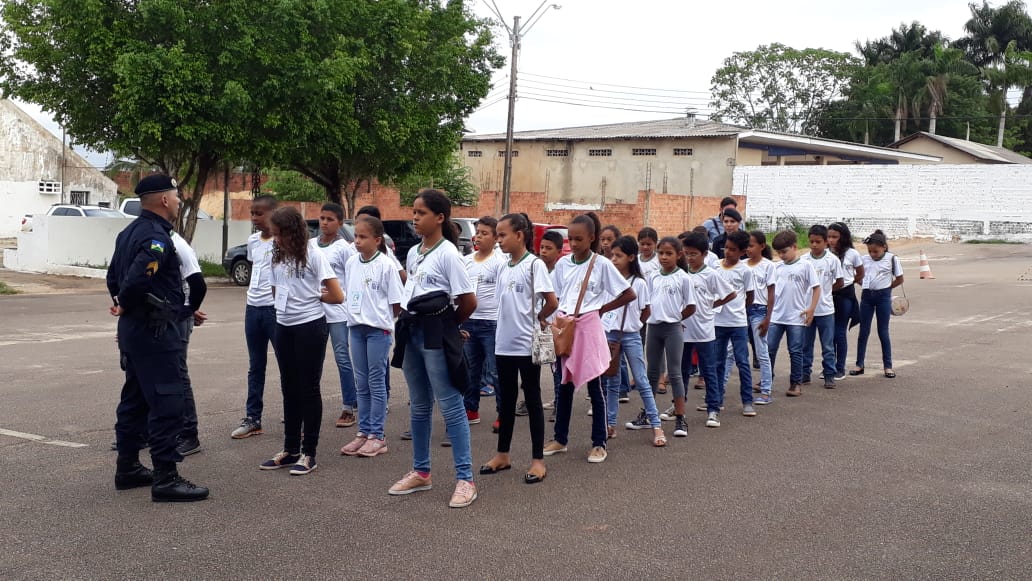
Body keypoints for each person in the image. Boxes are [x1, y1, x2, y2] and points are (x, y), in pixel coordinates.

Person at [106, 173, 208, 502]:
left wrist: (124, 305)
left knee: (135, 399)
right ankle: (166, 477)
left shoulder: (129, 232)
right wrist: (142, 306)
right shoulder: (157, 238)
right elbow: (133, 284)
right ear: (164, 200)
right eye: (177, 197)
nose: (179, 202)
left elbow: (113, 279)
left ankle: (128, 467)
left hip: (135, 330)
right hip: (154, 331)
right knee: (167, 400)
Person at [388, 189, 479, 508]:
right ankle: (421, 472)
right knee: (420, 404)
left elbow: (468, 300)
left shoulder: (449, 254)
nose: (414, 217)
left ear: (440, 218)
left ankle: (465, 479)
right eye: (413, 212)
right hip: (412, 333)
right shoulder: (414, 253)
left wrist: (449, 327)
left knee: (451, 403)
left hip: (436, 335)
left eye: (421, 213)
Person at [544, 212, 636, 464]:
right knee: (563, 385)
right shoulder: (563, 264)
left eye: (579, 239)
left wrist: (601, 309)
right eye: (570, 239)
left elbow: (628, 294)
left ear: (591, 238)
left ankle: (599, 443)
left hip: (589, 328)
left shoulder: (601, 264)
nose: (573, 244)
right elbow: (555, 296)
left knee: (596, 388)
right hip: (566, 328)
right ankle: (560, 439)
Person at [259, 206, 343, 476]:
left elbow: (337, 295)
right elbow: (275, 292)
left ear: (292, 232)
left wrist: (312, 297)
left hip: (310, 327)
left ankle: (310, 453)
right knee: (289, 387)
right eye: (274, 235)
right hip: (283, 327)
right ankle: (290, 449)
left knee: (308, 389)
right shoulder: (276, 257)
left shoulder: (314, 256)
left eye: (280, 234)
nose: (276, 239)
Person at [479, 213, 557, 484]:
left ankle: (537, 460)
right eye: (497, 235)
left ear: (520, 235)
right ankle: (503, 454)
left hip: (526, 345)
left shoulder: (534, 265)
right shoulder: (504, 267)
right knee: (507, 400)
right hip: (503, 343)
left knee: (533, 399)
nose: (499, 240)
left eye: (502, 235)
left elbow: (552, 301)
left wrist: (540, 318)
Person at [339, 216, 403, 458]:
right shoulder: (352, 263)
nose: (357, 241)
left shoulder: (386, 265)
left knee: (376, 383)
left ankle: (378, 435)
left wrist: (383, 322)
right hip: (356, 328)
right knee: (361, 383)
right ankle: (363, 432)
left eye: (363, 237)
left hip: (378, 331)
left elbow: (396, 304)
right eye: (355, 236)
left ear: (377, 240)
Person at [604, 236, 667, 446]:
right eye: (612, 255)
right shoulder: (609, 279)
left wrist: (636, 326)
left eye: (619, 256)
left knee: (641, 380)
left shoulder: (639, 283)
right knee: (612, 381)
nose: (614, 259)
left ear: (631, 257)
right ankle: (610, 424)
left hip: (630, 335)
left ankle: (656, 425)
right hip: (609, 334)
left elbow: (646, 310)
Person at [232, 195, 278, 439]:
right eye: (252, 213)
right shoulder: (253, 241)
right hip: (253, 308)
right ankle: (253, 418)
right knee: (256, 365)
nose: (254, 218)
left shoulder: (283, 242)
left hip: (275, 310)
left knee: (287, 365)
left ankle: (296, 416)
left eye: (259, 213)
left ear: (273, 213)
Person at [679, 233, 735, 428]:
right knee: (682, 370)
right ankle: (679, 405)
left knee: (709, 370)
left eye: (693, 254)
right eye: (686, 253)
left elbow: (730, 293)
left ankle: (713, 409)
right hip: (684, 328)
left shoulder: (711, 274)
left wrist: (712, 305)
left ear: (704, 254)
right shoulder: (682, 272)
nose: (690, 257)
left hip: (704, 329)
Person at [644, 236, 696, 440]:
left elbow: (691, 306)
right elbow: (647, 303)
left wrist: (676, 318)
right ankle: (648, 414)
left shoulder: (683, 277)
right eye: (661, 253)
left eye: (668, 253)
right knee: (652, 373)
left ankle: (680, 417)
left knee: (675, 374)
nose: (663, 257)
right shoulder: (653, 277)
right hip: (654, 328)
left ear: (678, 255)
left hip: (672, 328)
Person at [317, 203, 358, 429]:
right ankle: (306, 406)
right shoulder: (311, 245)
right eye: (322, 218)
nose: (324, 222)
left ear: (340, 223)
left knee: (342, 358)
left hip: (338, 312)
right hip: (314, 312)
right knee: (314, 360)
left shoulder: (344, 248)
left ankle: (348, 407)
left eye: (330, 219)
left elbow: (351, 279)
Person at [766, 231, 821, 397]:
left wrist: (811, 309)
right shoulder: (777, 268)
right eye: (778, 252)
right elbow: (771, 291)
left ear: (794, 247)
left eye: (784, 251)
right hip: (777, 316)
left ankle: (796, 383)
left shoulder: (805, 266)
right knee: (769, 349)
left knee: (795, 350)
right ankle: (767, 379)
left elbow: (816, 287)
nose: (781, 255)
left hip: (796, 317)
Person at [461, 216, 504, 429]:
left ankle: (502, 413)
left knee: (496, 371)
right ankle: (470, 409)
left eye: (485, 233)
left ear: (496, 238)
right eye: (478, 232)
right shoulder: (467, 260)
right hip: (469, 322)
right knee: (470, 369)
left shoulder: (500, 262)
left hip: (492, 322)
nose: (479, 236)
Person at [170, 230, 208, 457]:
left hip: (178, 318)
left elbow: (197, 284)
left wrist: (188, 309)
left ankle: (188, 433)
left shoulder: (177, 244)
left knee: (177, 374)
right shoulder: (151, 238)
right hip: (160, 317)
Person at [713, 230, 756, 420]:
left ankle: (747, 401)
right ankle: (716, 399)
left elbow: (750, 296)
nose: (728, 252)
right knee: (718, 362)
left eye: (733, 250)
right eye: (726, 248)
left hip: (738, 322)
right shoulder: (715, 266)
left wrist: (739, 309)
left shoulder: (745, 270)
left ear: (742, 252)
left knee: (742, 361)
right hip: (717, 321)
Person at [851, 230, 903, 379]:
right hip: (867, 296)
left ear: (884, 247)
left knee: (883, 331)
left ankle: (888, 366)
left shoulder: (892, 259)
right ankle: (859, 364)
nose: (873, 254)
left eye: (876, 251)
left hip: (883, 297)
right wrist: (864, 284)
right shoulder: (864, 259)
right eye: (870, 251)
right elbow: (858, 276)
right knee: (863, 331)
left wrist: (887, 289)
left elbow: (900, 279)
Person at [800, 225, 844, 389]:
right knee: (805, 344)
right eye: (811, 241)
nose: (814, 245)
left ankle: (829, 375)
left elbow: (840, 281)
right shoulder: (804, 260)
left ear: (826, 242)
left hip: (825, 309)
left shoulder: (832, 260)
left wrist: (826, 291)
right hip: (807, 309)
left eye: (818, 242)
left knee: (827, 345)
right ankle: (805, 373)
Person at [828, 222, 864, 381]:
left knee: (839, 332)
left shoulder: (852, 254)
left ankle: (839, 367)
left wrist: (850, 282)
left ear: (843, 237)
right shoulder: (826, 253)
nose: (831, 240)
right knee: (828, 334)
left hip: (845, 295)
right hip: (828, 294)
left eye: (835, 237)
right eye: (829, 237)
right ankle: (829, 366)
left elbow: (861, 272)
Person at [745, 230, 776, 405]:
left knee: (761, 351)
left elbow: (771, 293)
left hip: (759, 311)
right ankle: (720, 389)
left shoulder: (768, 266)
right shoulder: (742, 265)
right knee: (730, 352)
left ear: (762, 246)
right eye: (746, 246)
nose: (748, 249)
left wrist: (768, 317)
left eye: (751, 245)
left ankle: (766, 391)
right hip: (742, 311)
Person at [537, 230, 565, 421]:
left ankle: (559, 403)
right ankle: (552, 400)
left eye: (549, 248)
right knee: (542, 363)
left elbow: (558, 300)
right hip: (539, 323)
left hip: (554, 324)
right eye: (542, 247)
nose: (544, 252)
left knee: (557, 367)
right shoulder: (538, 269)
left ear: (559, 251)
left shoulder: (560, 273)